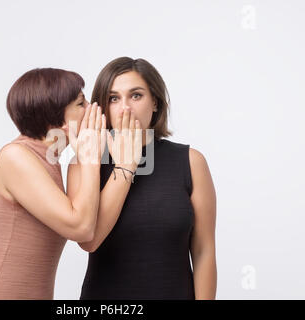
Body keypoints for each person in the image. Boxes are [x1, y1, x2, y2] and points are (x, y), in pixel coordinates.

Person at [68, 57, 217, 299]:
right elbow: (89, 241)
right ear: (102, 108)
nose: (125, 108)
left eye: (136, 95)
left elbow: (203, 251)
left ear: (155, 102)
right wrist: (126, 164)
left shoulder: (191, 161)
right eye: (113, 98)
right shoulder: (85, 161)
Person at [0, 68, 106, 299]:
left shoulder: (52, 161)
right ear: (54, 118)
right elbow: (81, 228)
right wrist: (89, 157)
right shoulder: (16, 157)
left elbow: (88, 226)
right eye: (81, 104)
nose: (92, 109)